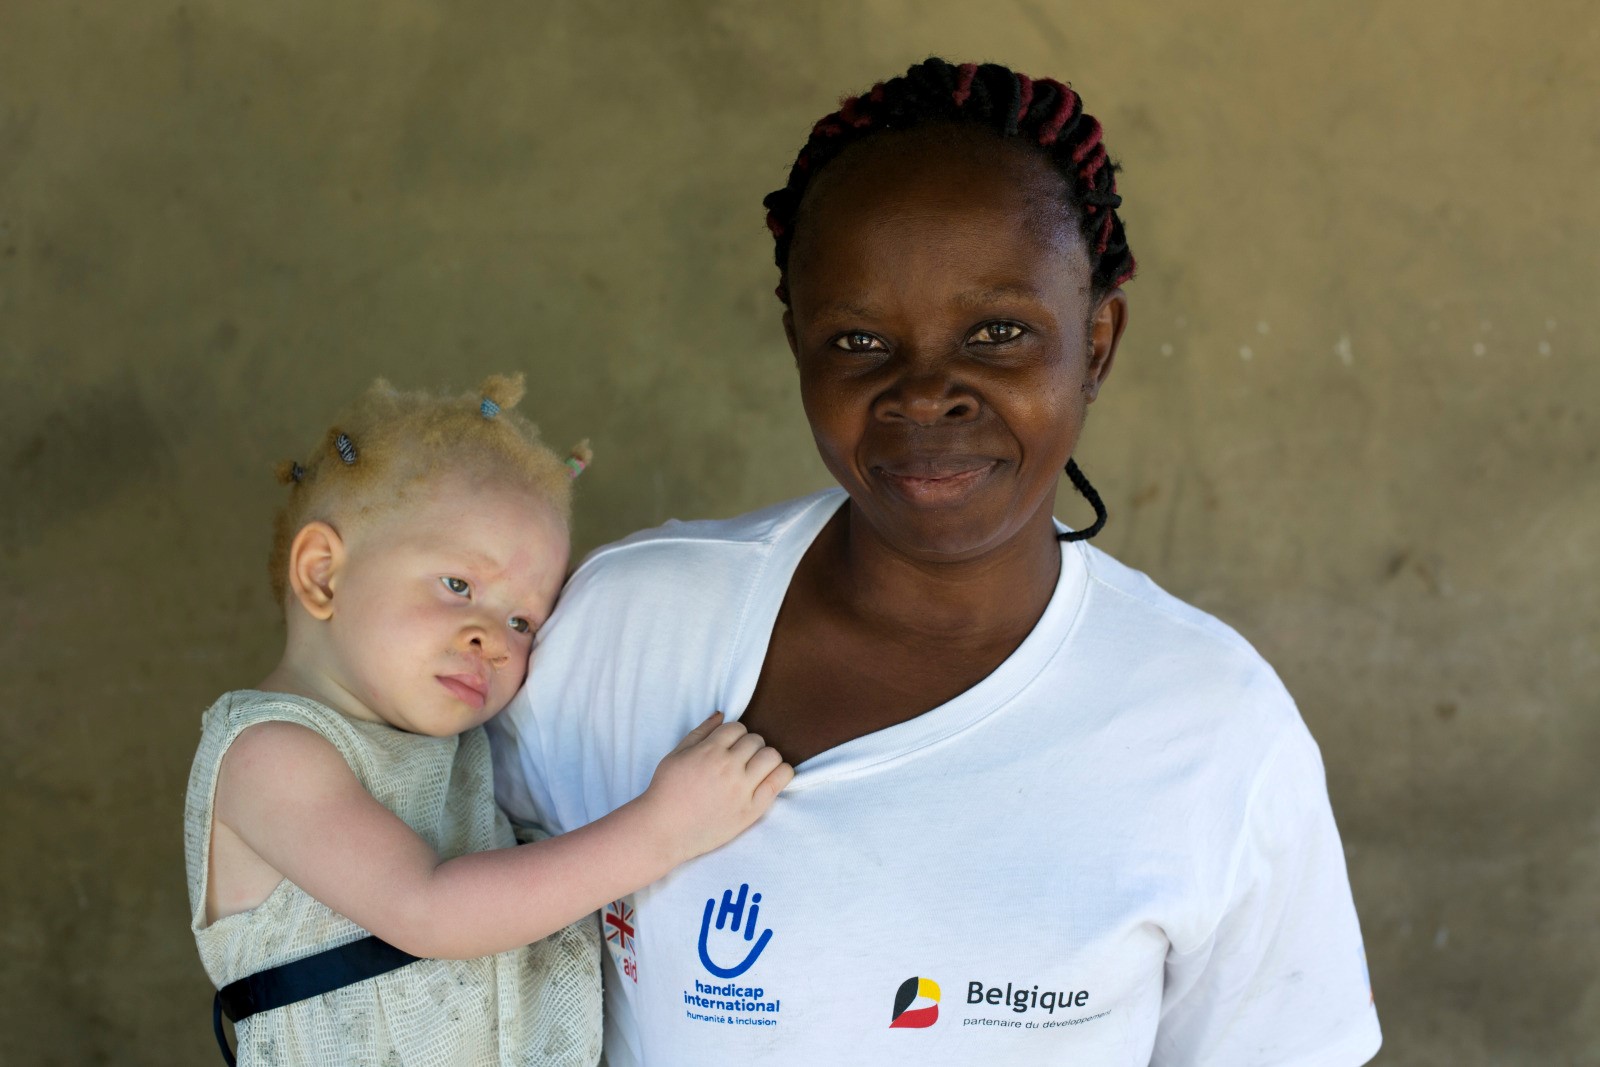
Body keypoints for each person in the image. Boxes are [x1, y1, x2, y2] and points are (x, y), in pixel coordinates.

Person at [490, 59, 1384, 1065]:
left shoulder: (1213, 727)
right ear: (797, 347)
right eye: (859, 338)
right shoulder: (630, 628)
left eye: (998, 333)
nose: (925, 393)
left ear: (1095, 344)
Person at [182, 374, 793, 1067]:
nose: (493, 638)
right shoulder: (270, 754)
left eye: (523, 619)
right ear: (323, 574)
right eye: (458, 585)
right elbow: (427, 910)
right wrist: (663, 828)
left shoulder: (468, 755)